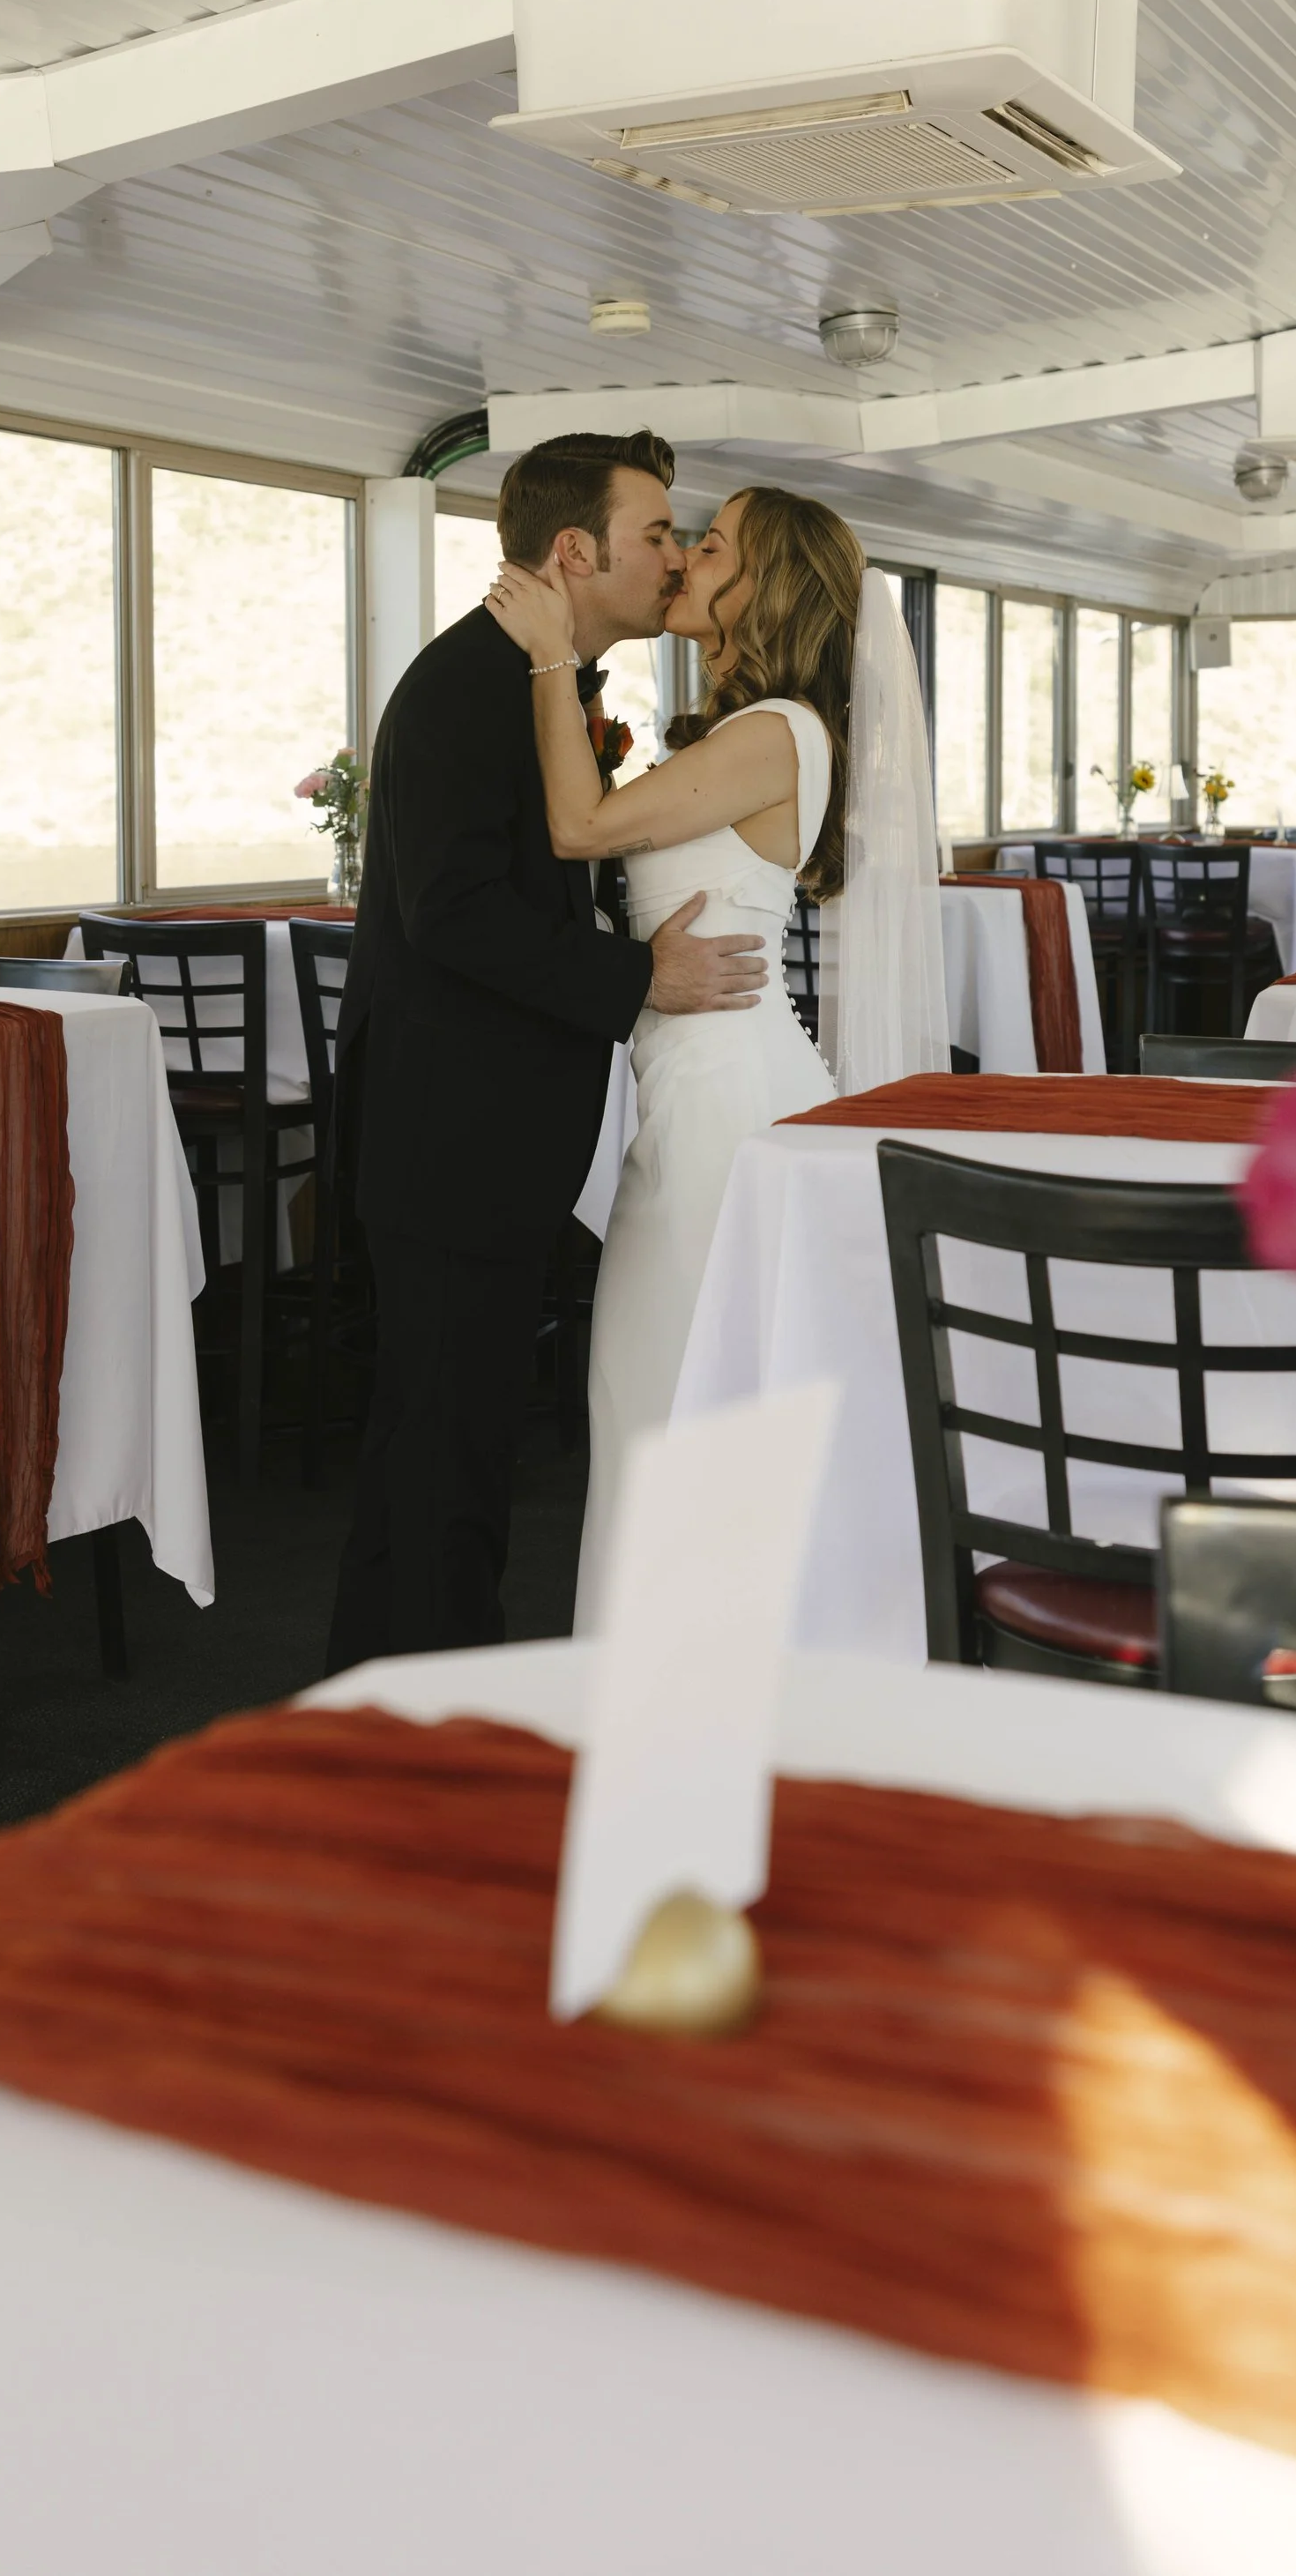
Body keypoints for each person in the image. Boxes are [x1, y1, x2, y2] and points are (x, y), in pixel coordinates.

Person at [324, 428, 765, 1668]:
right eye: (657, 534)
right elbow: (452, 912)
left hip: (489, 1123)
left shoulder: (539, 683)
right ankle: (424, 1725)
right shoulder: (470, 685)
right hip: (451, 1127)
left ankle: (394, 1703)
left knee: (451, 1440)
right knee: (442, 1445)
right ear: (577, 551)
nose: (673, 558)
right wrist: (641, 977)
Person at [485, 487, 948, 1625]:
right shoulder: (746, 731)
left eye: (714, 542)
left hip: (728, 1106)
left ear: (765, 586)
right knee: (668, 1401)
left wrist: (551, 660)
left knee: (665, 1404)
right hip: (693, 1092)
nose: (687, 555)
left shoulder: (777, 730)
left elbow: (580, 828)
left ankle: (688, 1687)